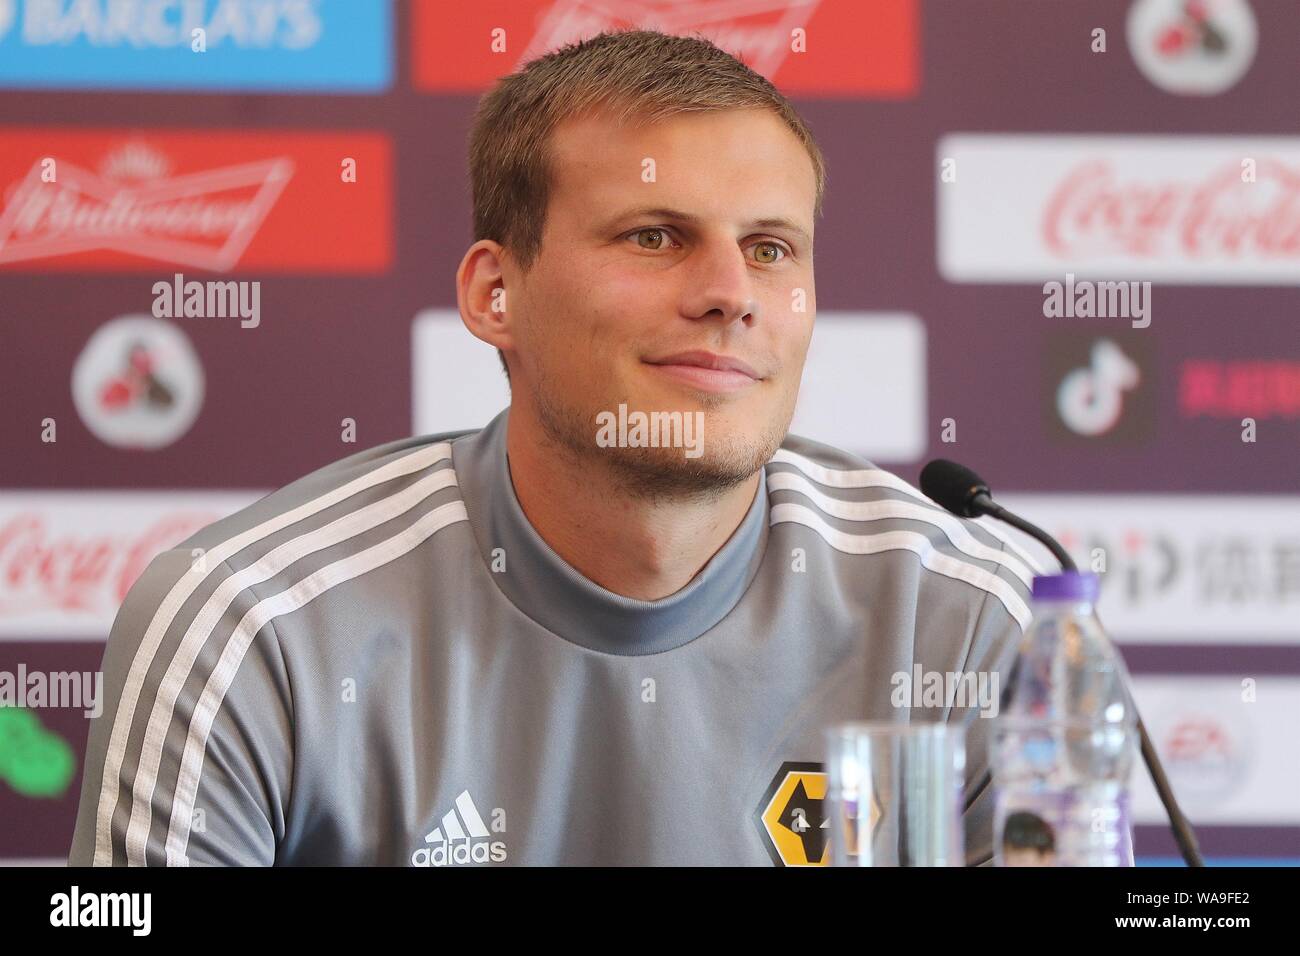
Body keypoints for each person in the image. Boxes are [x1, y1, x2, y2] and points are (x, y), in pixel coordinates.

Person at [68, 28, 1036, 867]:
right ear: (496, 293)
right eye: (655, 236)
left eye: (771, 248)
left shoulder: (967, 619)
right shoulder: (250, 626)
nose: (730, 291)